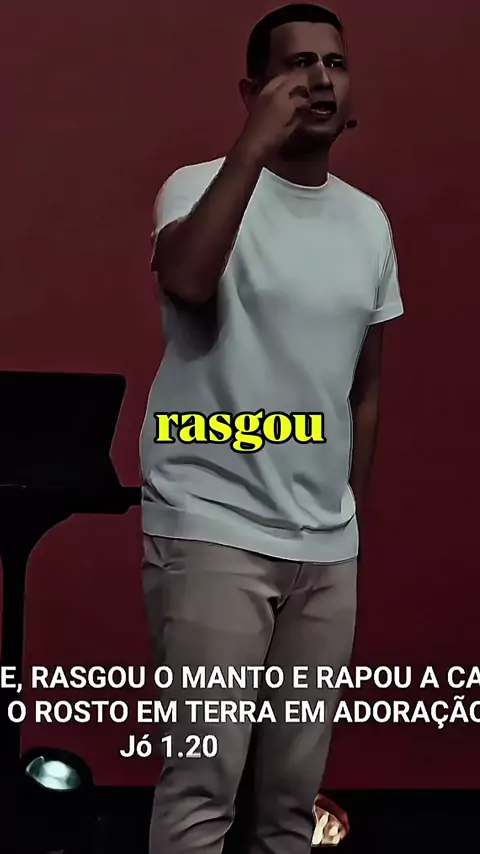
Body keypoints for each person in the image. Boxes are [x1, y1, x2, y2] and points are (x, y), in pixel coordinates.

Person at [140, 4, 403, 853]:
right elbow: (186, 282)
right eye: (297, 65)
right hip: (213, 525)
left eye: (335, 63)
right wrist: (252, 148)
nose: (320, 79)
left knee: (291, 804)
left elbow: (364, 389)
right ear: (253, 89)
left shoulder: (368, 223)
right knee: (202, 790)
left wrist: (347, 523)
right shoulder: (196, 185)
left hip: (325, 546)